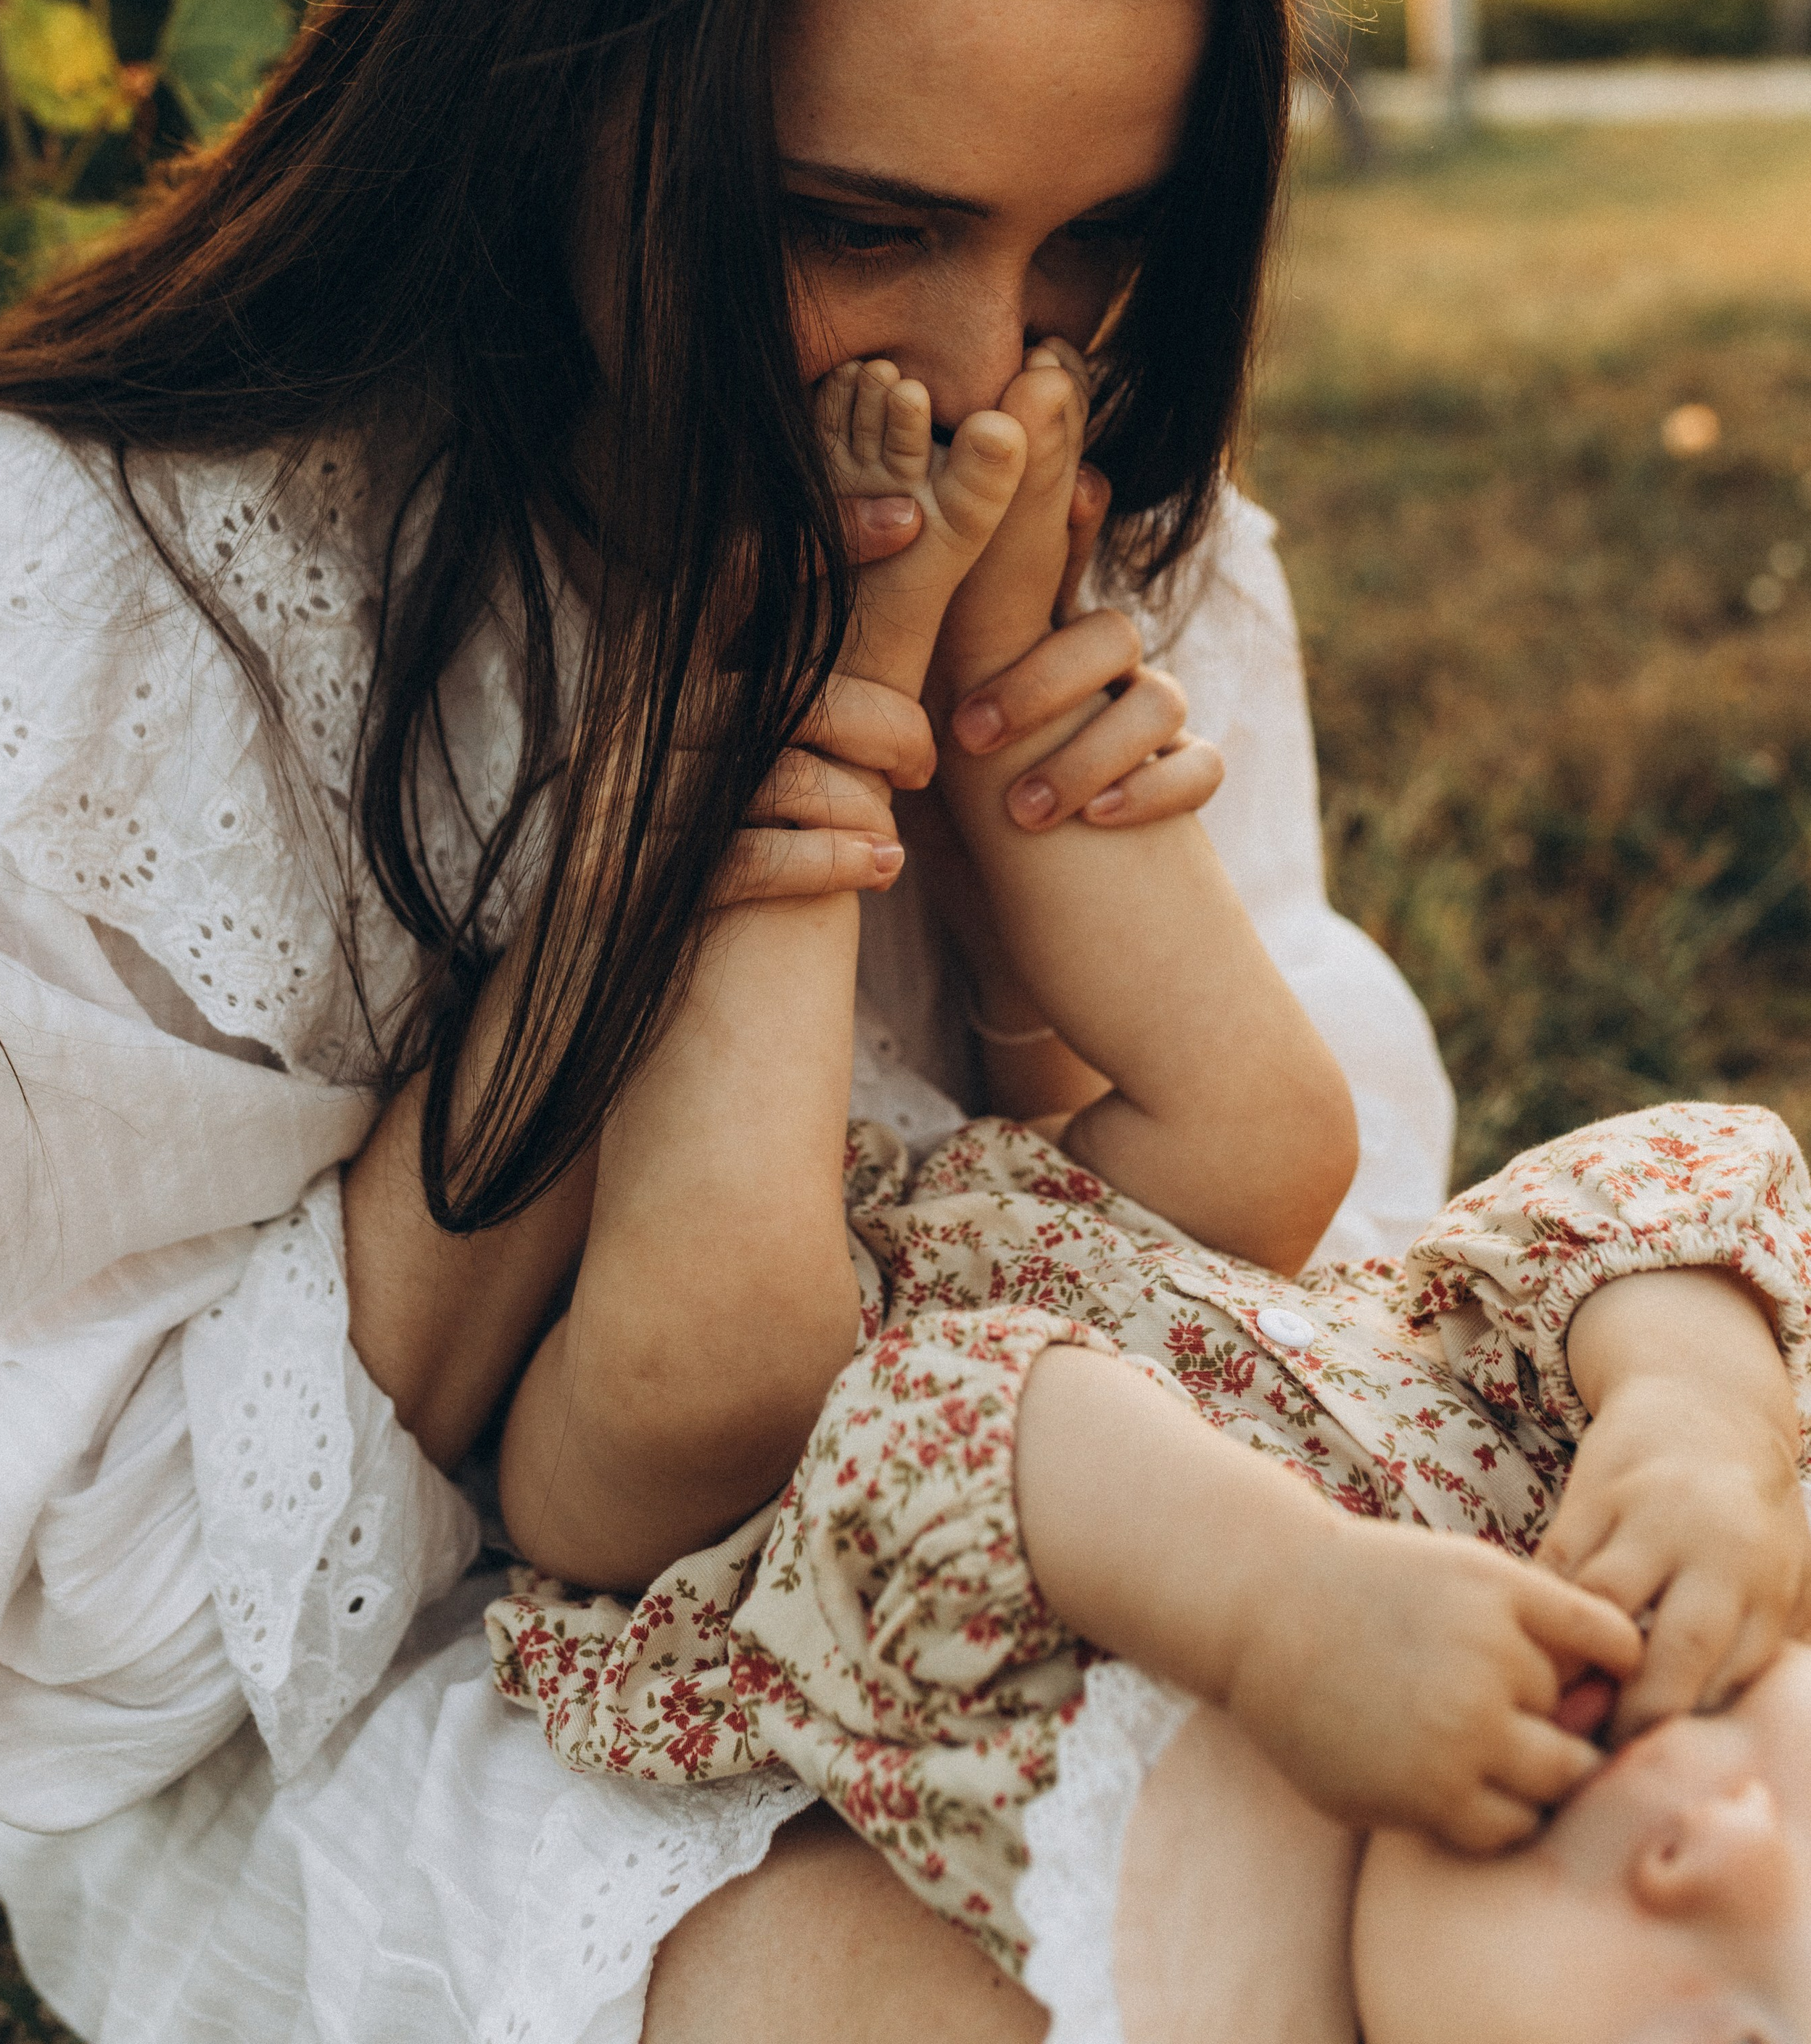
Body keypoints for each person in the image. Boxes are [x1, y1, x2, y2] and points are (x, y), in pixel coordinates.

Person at [0, 0, 1450, 2042]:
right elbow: (59, 1686)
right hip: (398, 1721)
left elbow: (1298, 1224)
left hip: (1055, 1566)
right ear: (552, 89)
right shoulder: (96, 617)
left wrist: (1021, 901)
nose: (991, 374)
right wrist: (638, 906)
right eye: (862, 226)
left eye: (1091, 246)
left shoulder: (1088, 539)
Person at [484, 400, 1811, 2041]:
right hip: (1097, 1225)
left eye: (1735, 2037)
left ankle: (798, 714)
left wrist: (1280, 1609)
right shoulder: (1642, 1571)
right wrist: (1700, 1415)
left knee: (726, 1357)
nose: (1731, 1854)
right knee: (1276, 1136)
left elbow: (932, 1422)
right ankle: (1012, 681)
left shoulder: (1132, 1944)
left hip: (735, 1496)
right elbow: (1647, 1191)